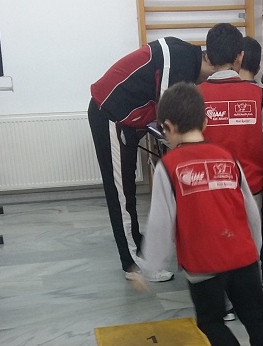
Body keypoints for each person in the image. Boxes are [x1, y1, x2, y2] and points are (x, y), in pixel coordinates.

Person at [136, 82, 263, 346]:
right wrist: (255, 250)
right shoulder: (228, 157)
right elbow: (250, 210)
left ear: (168, 127)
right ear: (206, 122)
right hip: (243, 257)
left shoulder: (168, 167)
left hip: (202, 264)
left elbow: (160, 223)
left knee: (211, 320)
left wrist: (149, 266)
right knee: (256, 316)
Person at [88, 38, 213, 281]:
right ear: (207, 58)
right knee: (121, 194)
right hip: (109, 114)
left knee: (128, 191)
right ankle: (132, 265)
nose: (205, 81)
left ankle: (136, 242)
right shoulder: (180, 60)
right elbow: (168, 117)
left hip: (124, 118)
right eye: (211, 74)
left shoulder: (185, 56)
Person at [199, 24, 263, 290]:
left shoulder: (196, 96)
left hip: (211, 190)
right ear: (240, 57)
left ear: (207, 57)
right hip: (251, 187)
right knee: (251, 244)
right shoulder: (258, 95)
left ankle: (224, 300)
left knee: (216, 245)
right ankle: (254, 292)